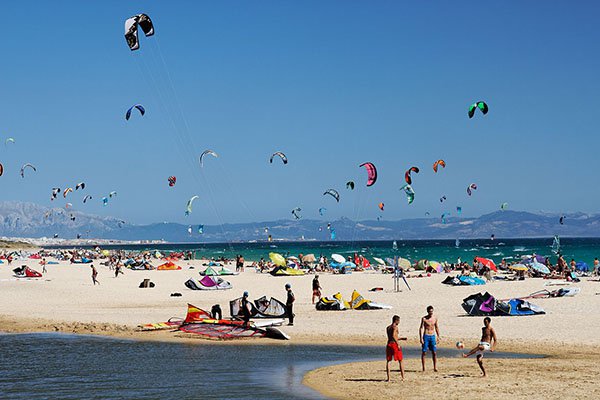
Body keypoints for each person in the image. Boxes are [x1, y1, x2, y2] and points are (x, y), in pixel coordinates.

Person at [419, 305, 441, 372]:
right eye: (430, 312)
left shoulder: (435, 318)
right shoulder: (424, 319)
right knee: (424, 352)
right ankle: (423, 367)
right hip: (426, 335)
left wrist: (438, 336)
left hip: (432, 336)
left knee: (434, 352)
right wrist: (421, 338)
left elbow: (436, 327)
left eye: (432, 311)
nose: (431, 313)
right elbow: (421, 328)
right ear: (427, 311)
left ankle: (435, 367)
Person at [386, 315, 407, 382]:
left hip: (389, 344)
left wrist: (401, 338)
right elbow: (393, 336)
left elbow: (392, 337)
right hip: (394, 344)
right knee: (400, 360)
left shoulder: (388, 327)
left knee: (388, 361)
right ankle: (403, 377)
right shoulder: (395, 327)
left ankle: (388, 378)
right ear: (396, 320)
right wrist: (398, 344)